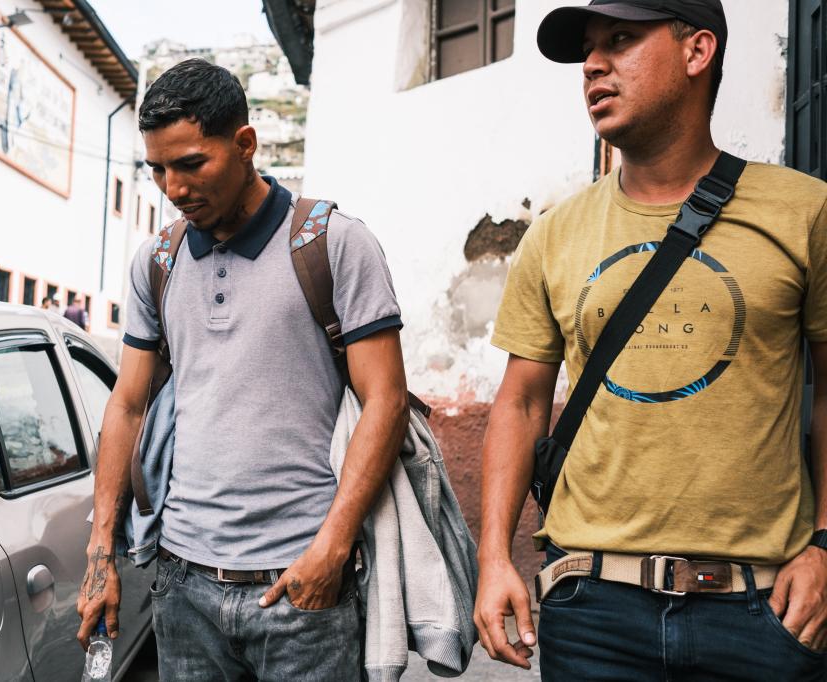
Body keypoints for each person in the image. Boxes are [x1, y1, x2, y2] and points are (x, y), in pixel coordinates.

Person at [475, 1, 827, 679]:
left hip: (760, 610)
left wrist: (825, 547)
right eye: (588, 49)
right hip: (593, 609)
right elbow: (519, 405)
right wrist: (494, 560)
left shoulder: (802, 211)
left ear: (697, 52)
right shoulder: (555, 233)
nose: (593, 65)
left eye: (621, 40)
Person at [75, 58, 410, 680]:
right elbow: (127, 404)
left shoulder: (333, 243)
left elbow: (386, 398)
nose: (173, 188)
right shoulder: (158, 261)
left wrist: (331, 550)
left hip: (303, 586)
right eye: (158, 170)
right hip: (182, 584)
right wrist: (102, 553)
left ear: (245, 144)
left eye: (191, 163)